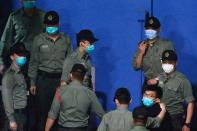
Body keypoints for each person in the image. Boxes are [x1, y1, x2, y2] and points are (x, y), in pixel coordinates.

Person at [28, 11, 73, 131]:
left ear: (58, 24)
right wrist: (32, 82)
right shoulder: (38, 39)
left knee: (60, 112)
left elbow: (69, 62)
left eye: (53, 25)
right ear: (45, 25)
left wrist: (65, 80)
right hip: (43, 80)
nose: (51, 28)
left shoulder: (66, 40)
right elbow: (33, 61)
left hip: (60, 81)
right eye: (48, 25)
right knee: (42, 112)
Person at [45, 64, 105, 131]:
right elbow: (102, 115)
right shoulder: (90, 93)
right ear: (84, 77)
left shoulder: (60, 91)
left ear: (71, 75)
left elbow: (52, 115)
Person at [147, 50, 195, 131]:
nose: (167, 64)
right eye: (165, 62)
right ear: (161, 62)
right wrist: (152, 82)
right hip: (160, 116)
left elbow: (190, 103)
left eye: (170, 62)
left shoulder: (182, 80)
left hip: (175, 118)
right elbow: (150, 86)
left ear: (176, 63)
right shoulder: (160, 76)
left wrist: (187, 124)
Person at [132, 16, 175, 88]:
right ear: (145, 29)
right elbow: (136, 67)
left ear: (159, 29)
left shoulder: (166, 45)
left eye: (153, 28)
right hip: (147, 85)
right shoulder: (142, 45)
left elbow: (173, 67)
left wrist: (157, 79)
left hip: (163, 84)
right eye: (148, 28)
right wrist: (141, 53)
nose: (150, 30)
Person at [97, 87, 166, 131]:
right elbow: (156, 122)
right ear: (130, 100)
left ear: (116, 101)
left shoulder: (107, 117)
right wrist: (163, 110)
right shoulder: (136, 117)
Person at [0, 0, 45, 67]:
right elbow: (5, 40)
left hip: (38, 61)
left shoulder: (43, 16)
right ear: (21, 1)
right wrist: (1, 61)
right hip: (19, 60)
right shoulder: (14, 17)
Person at [1, 42, 29, 131]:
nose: (23, 57)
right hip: (14, 116)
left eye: (24, 54)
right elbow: (7, 98)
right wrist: (11, 120)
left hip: (22, 114)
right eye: (19, 54)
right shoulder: (9, 76)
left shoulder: (20, 73)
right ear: (12, 57)